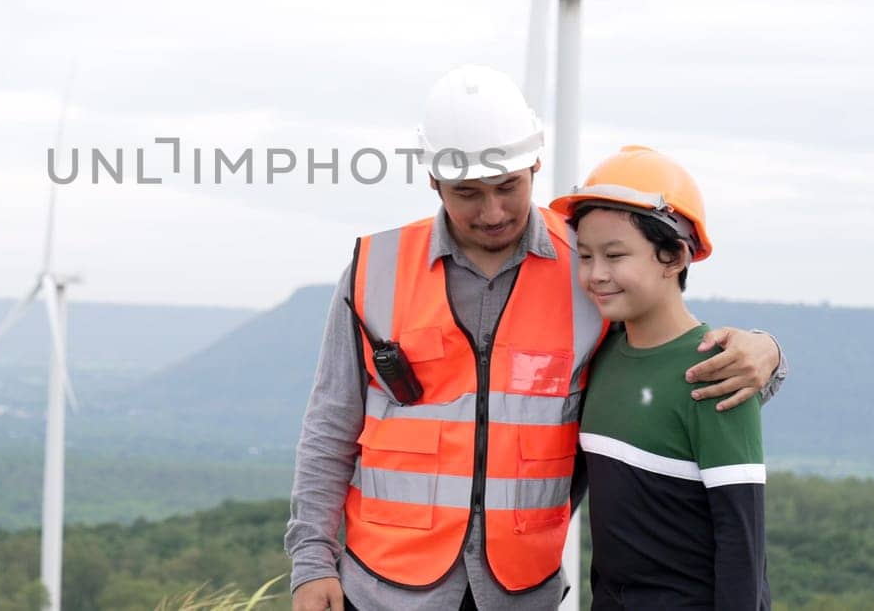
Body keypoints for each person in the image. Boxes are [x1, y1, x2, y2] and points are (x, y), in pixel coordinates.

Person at [286, 65, 785, 611]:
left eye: (508, 186)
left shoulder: (587, 268)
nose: (492, 212)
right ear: (433, 181)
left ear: (535, 165)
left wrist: (768, 351)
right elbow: (330, 425)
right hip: (381, 589)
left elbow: (666, 346)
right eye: (467, 193)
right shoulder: (374, 270)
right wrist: (311, 559)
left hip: (520, 592)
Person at [554, 146, 769, 609]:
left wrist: (768, 348)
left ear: (674, 257)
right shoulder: (602, 351)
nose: (595, 275)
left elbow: (741, 546)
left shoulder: (717, 373)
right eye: (586, 256)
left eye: (615, 255)